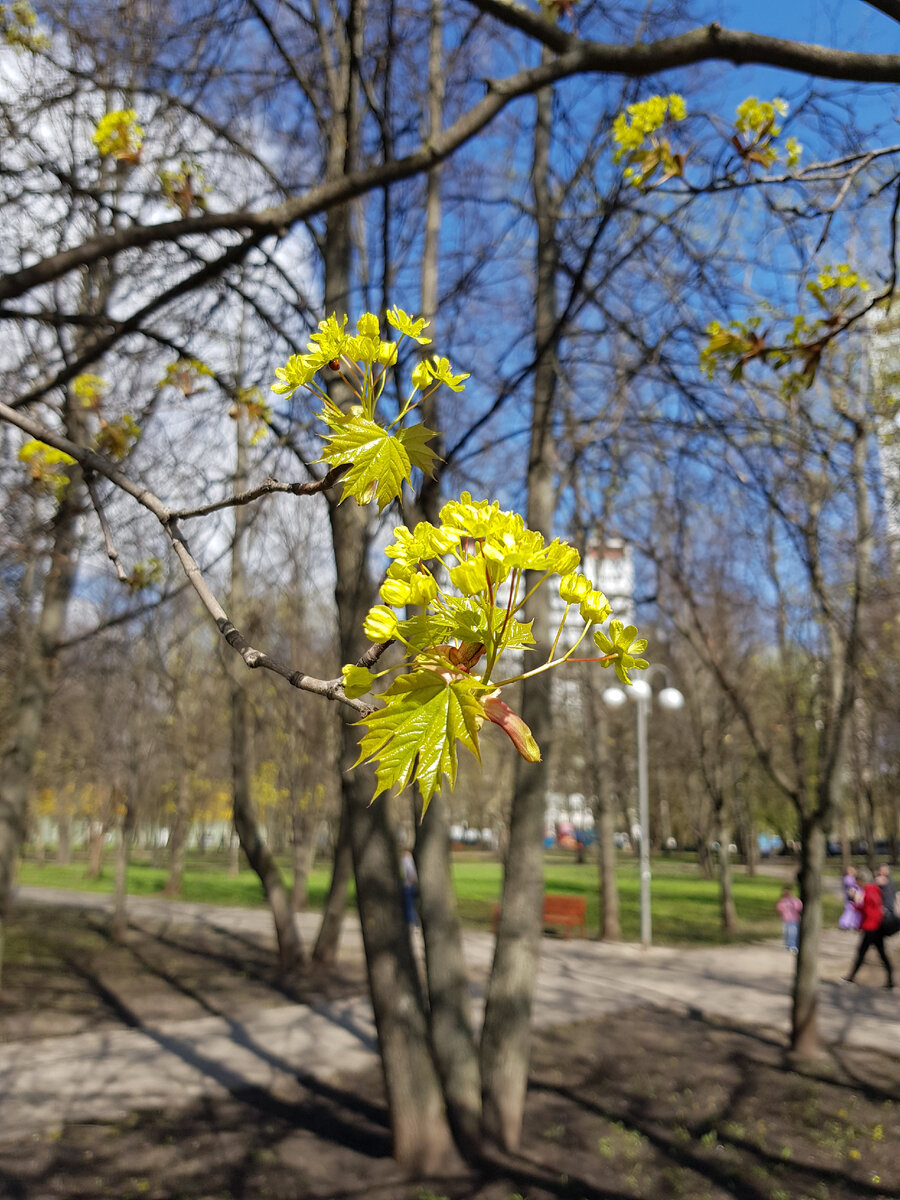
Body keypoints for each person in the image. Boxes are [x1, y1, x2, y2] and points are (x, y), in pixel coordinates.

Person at [843, 868, 894, 989]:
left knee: (863, 952)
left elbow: (872, 910)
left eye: (858, 881)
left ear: (861, 880)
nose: (857, 884)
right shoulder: (870, 890)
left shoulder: (870, 890)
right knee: (876, 953)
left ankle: (851, 977)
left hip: (872, 928)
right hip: (872, 927)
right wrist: (856, 905)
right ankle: (852, 976)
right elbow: (867, 908)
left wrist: (857, 901)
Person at [775, 885, 802, 953]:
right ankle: (788, 945)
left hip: (794, 919)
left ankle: (794, 946)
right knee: (787, 933)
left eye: (788, 892)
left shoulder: (795, 900)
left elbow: (799, 908)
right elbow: (779, 908)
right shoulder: (782, 901)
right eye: (785, 892)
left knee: (793, 933)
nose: (787, 893)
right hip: (786, 919)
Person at [839, 864, 861, 931]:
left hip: (853, 898)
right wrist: (855, 895)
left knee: (852, 911)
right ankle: (844, 924)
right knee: (849, 911)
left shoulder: (852, 878)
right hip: (850, 898)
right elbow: (851, 888)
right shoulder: (848, 878)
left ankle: (851, 924)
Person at [400, 847, 418, 927]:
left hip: (408, 885)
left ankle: (411, 922)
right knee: (413, 905)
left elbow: (410, 872)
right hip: (412, 885)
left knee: (409, 906)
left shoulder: (406, 860)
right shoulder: (412, 859)